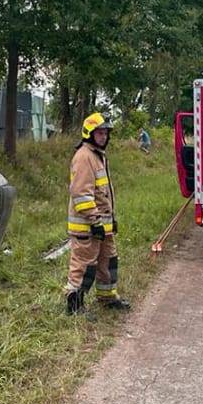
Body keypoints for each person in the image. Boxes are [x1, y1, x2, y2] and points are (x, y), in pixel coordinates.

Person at [65, 112, 130, 315]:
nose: (103, 136)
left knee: (108, 261)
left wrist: (111, 222)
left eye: (105, 133)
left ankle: (107, 298)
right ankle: (74, 306)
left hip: (102, 226)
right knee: (84, 265)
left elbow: (103, 195)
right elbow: (81, 194)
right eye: (99, 133)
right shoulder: (84, 157)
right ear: (89, 134)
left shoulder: (97, 156)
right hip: (87, 226)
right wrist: (95, 221)